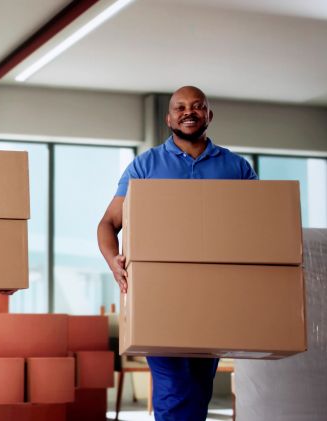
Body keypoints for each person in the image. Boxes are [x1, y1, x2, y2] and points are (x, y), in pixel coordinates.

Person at [97, 86, 256, 421]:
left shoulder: (236, 168)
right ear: (168, 117)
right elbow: (108, 224)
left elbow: (259, 228)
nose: (189, 112)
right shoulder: (146, 166)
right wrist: (114, 262)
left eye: (198, 106)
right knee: (174, 390)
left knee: (198, 390)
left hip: (216, 299)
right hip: (159, 299)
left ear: (209, 115)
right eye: (180, 107)